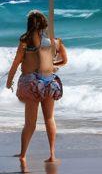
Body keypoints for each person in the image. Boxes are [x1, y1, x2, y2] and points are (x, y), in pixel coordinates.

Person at [6, 9, 67, 165]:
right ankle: (52, 154)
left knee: (30, 123)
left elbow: (16, 63)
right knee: (49, 118)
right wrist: (52, 64)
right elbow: (64, 61)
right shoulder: (55, 42)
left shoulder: (25, 42)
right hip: (49, 83)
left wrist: (9, 81)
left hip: (31, 84)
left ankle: (23, 154)